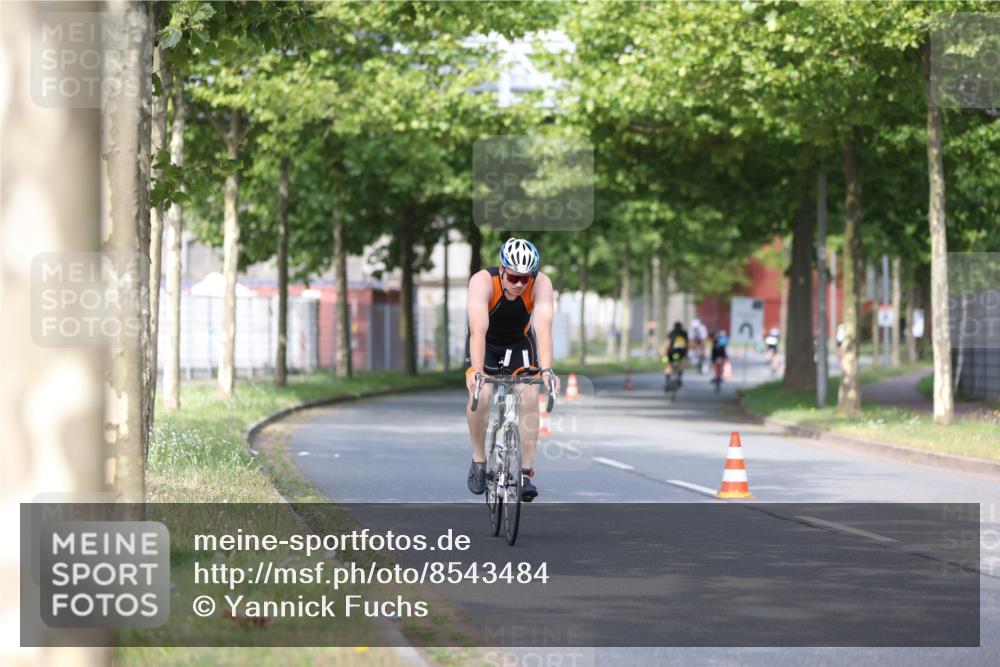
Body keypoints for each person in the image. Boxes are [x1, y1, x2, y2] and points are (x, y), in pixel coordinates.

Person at [465, 238, 560, 502]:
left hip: (519, 342)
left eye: (525, 279)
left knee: (529, 396)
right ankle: (479, 459)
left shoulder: (541, 283)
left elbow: (543, 330)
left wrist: (549, 370)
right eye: (514, 277)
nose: (520, 284)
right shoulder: (482, 281)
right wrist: (476, 370)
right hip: (485, 342)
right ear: (502, 269)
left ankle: (524, 473)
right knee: (481, 395)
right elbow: (478, 331)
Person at [661, 321, 689, 391]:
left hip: (671, 352)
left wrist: (664, 353)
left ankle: (667, 381)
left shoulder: (671, 333)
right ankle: (679, 378)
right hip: (680, 353)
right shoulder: (684, 333)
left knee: (668, 365)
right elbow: (687, 344)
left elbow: (667, 343)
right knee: (681, 363)